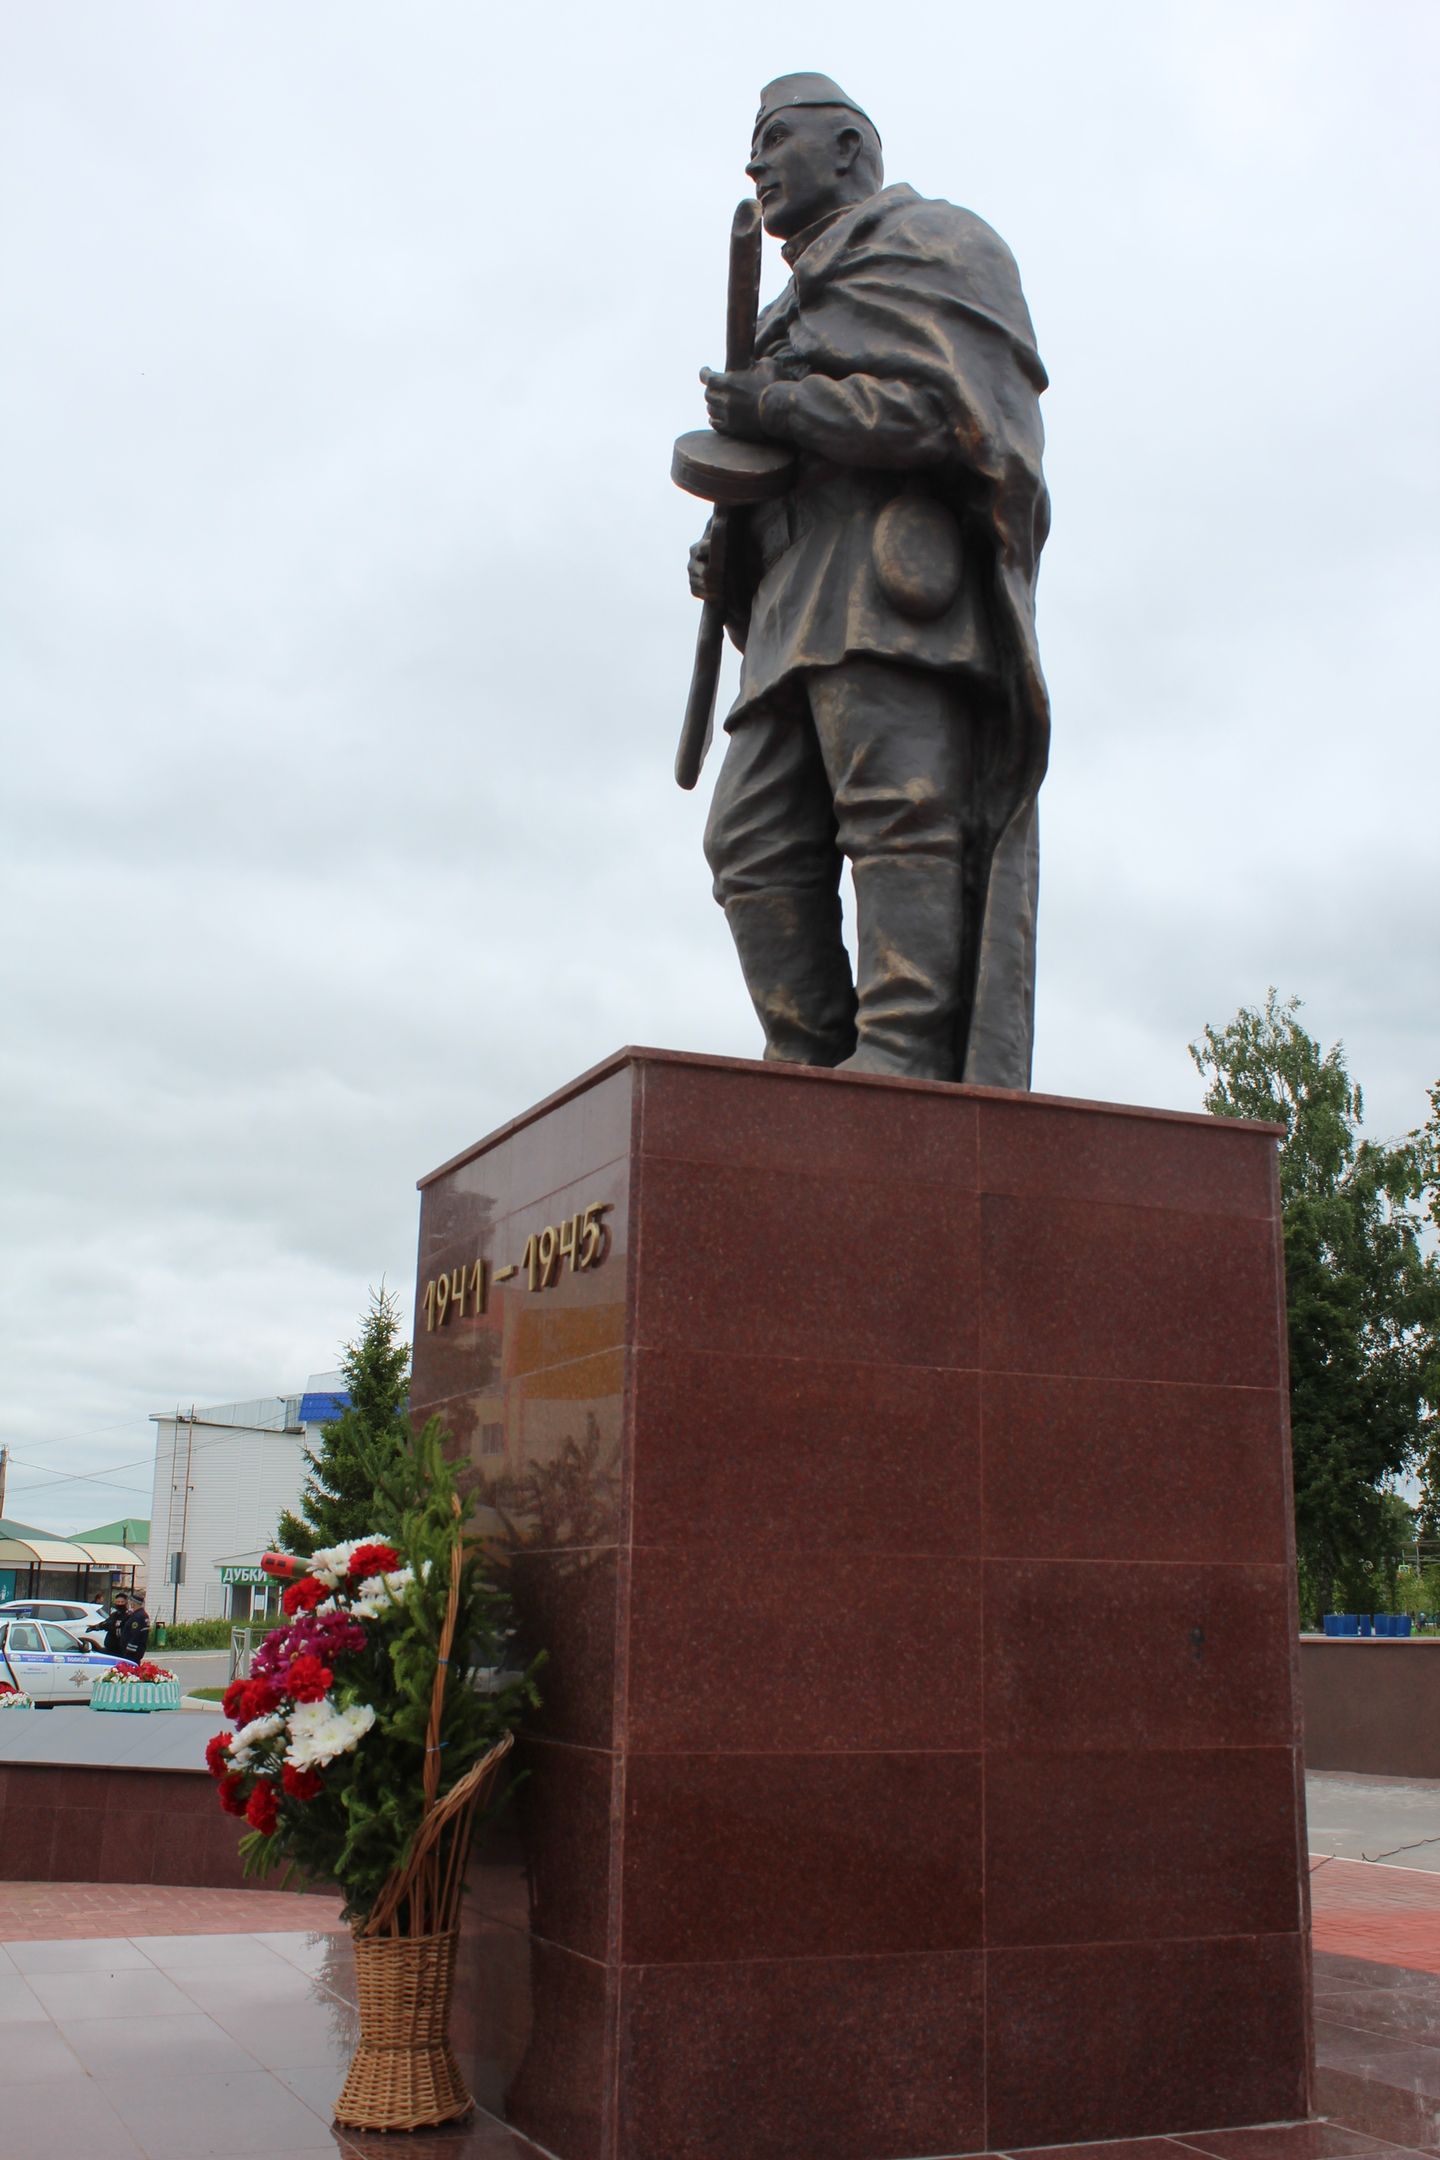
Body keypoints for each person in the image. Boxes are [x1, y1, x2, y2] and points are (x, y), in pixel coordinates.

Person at [690, 74, 1050, 1086]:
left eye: (773, 141)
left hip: (891, 584)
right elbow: (764, 478)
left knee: (897, 808)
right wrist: (731, 558)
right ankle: (808, 1067)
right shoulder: (777, 315)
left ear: (848, 146)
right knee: (750, 840)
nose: (755, 165)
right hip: (786, 604)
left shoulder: (936, 247)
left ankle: (902, 1051)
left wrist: (785, 410)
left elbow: (961, 421)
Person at [86, 1590, 129, 1657]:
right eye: (118, 1602)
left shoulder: (128, 1616)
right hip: (110, 1647)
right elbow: (105, 1624)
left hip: (120, 1649)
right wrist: (94, 1627)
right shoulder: (114, 1615)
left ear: (126, 1603)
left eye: (122, 1602)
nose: (120, 1604)